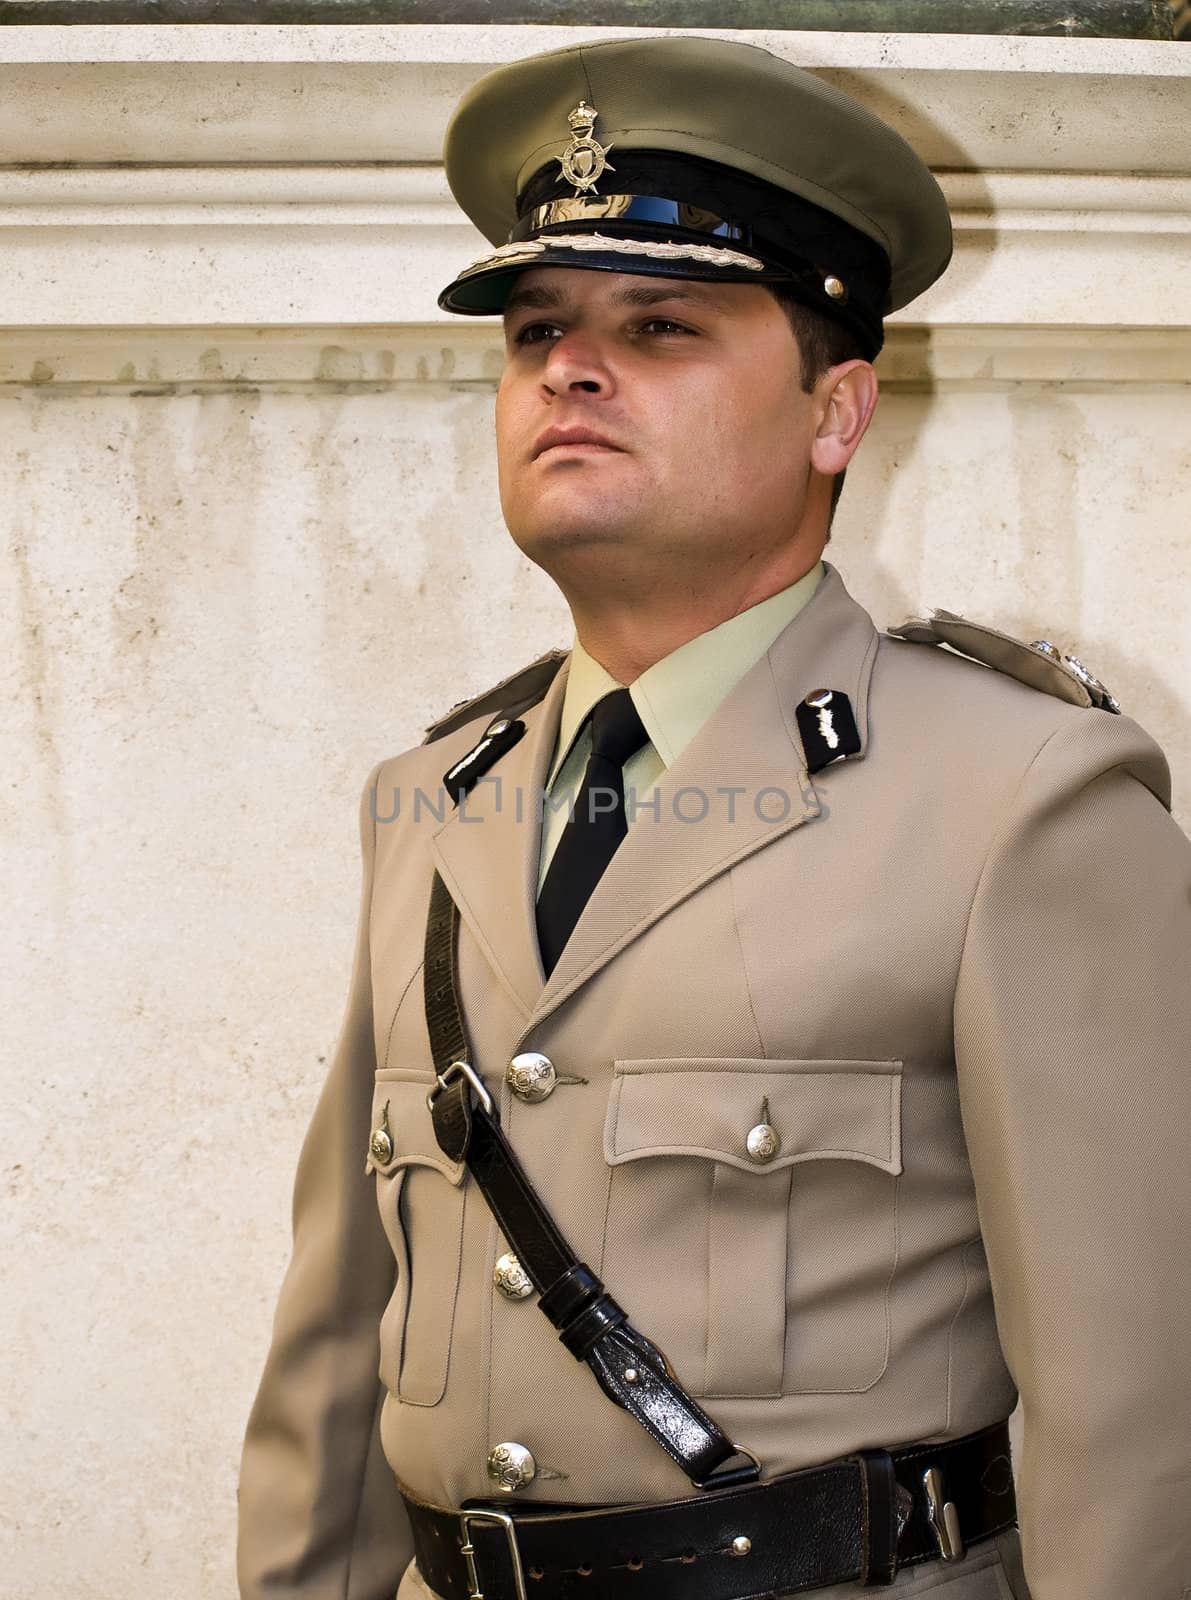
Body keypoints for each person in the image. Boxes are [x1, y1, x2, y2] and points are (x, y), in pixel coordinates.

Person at [236, 34, 1191, 1600]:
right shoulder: (431, 799)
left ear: (838, 412)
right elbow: (337, 1347)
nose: (569, 368)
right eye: (537, 328)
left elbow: (1140, 1416)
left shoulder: (1019, 803)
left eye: (661, 325)